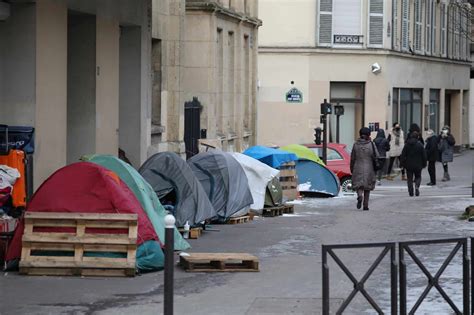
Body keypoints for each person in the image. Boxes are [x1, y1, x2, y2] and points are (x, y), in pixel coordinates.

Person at [350, 127, 379, 210]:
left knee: (359, 186)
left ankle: (359, 196)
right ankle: (365, 205)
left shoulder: (355, 144)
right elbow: (377, 155)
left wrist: (352, 168)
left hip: (357, 167)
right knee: (367, 187)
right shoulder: (371, 144)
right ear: (369, 134)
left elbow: (352, 158)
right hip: (369, 167)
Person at [400, 131, 427, 197]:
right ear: (417, 137)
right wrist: (424, 163)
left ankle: (411, 192)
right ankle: (417, 186)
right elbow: (424, 155)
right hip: (418, 164)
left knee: (409, 179)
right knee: (418, 176)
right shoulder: (420, 145)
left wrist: (402, 164)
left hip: (408, 165)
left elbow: (403, 155)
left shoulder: (407, 144)